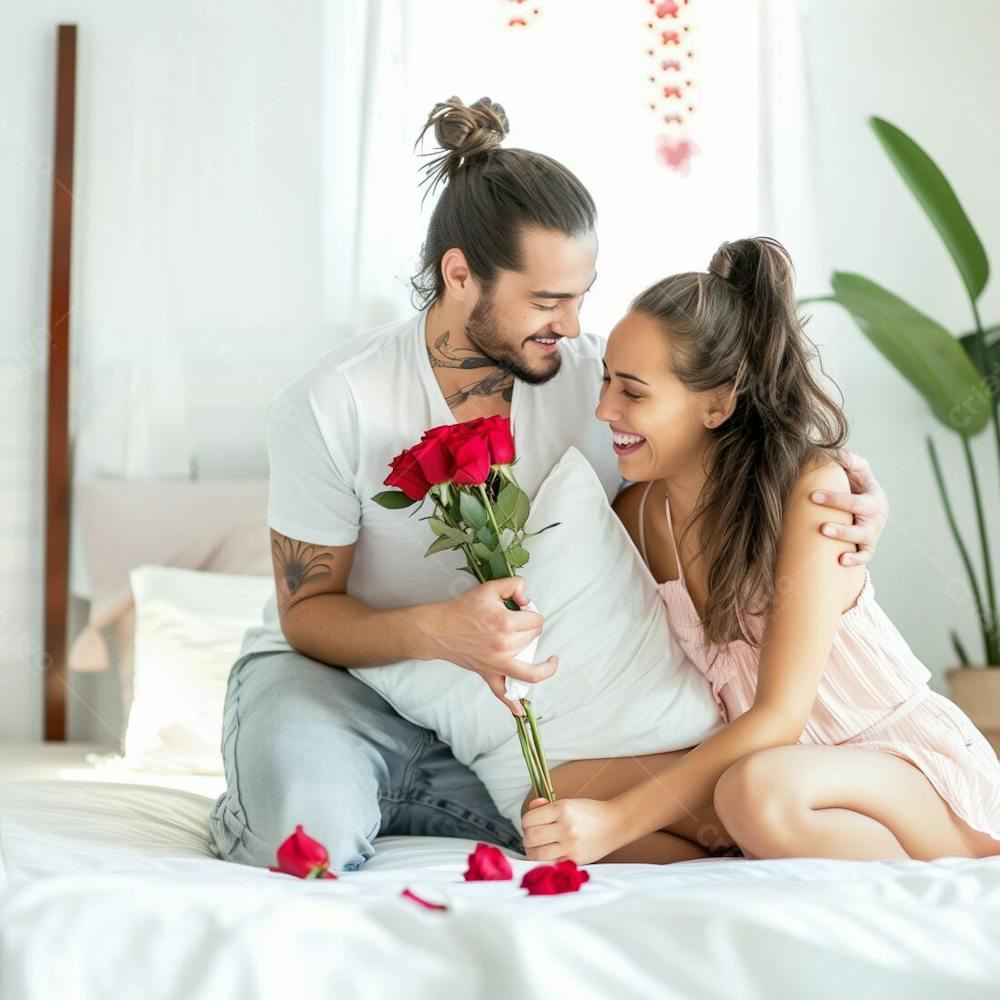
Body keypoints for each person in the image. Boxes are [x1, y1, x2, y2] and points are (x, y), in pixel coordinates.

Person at [208, 98, 889, 872]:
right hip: (339, 683)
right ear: (459, 275)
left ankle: (430, 801)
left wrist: (851, 492)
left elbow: (737, 435)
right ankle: (301, 786)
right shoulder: (332, 404)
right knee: (303, 840)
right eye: (545, 301)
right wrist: (438, 631)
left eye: (581, 295)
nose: (570, 327)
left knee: (584, 814)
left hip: (509, 724)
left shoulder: (599, 385)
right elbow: (308, 615)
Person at [519, 236, 1000, 865]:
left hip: (897, 768)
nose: (605, 408)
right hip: (766, 772)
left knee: (755, 789)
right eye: (607, 381)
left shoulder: (811, 492)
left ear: (717, 404)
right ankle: (742, 852)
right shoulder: (638, 516)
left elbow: (778, 717)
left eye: (633, 392)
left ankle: (790, 839)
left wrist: (617, 824)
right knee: (554, 796)